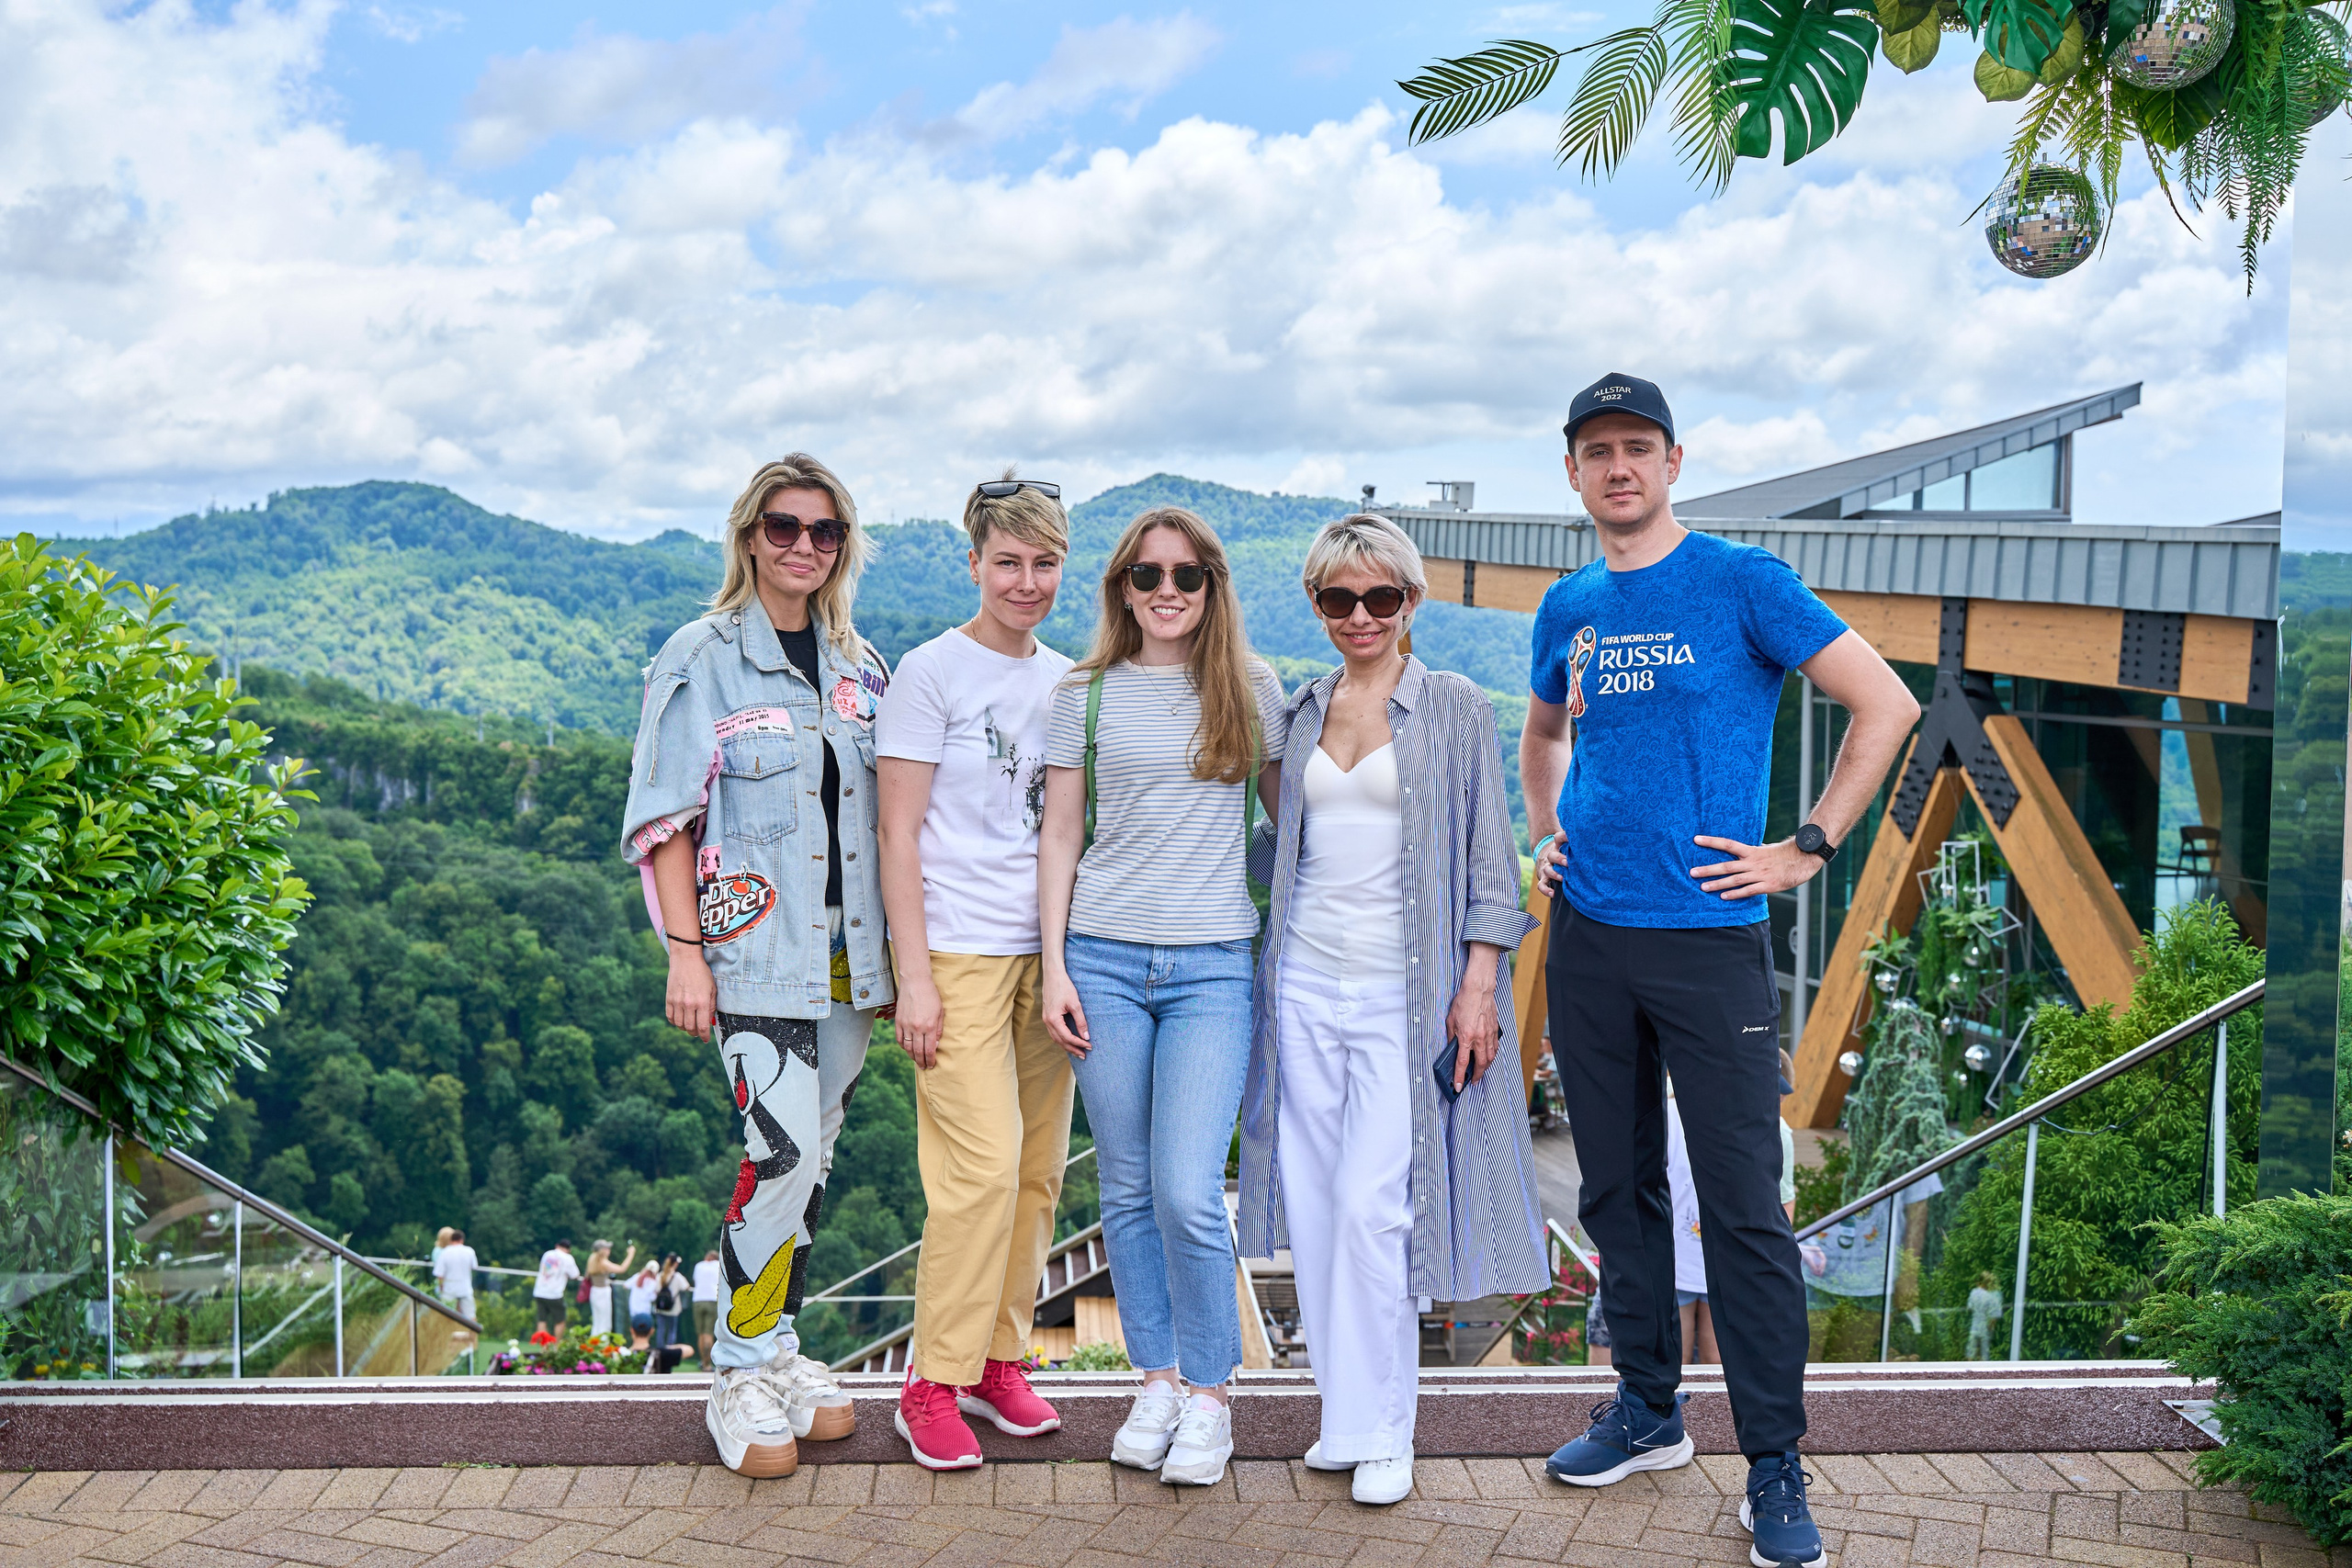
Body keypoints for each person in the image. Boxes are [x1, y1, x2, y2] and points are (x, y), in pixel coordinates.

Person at [1523, 374, 1919, 1568]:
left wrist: (1809, 845)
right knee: (1617, 1191)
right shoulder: (1572, 601)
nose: (1618, 466)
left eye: (1637, 447)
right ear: (1575, 473)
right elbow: (1544, 731)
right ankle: (1648, 1410)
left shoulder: (1745, 582)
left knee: (1746, 1211)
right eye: (1597, 451)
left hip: (1707, 942)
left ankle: (1774, 1462)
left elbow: (1885, 702)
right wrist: (1551, 829)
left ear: (1675, 460)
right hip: (1590, 934)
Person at [1235, 513, 1545, 1506]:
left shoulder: (1451, 706)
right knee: (1319, 1209)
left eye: (1381, 597)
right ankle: (1341, 1414)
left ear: (1411, 602)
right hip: (1302, 986)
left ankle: (1389, 1429)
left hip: (1402, 998)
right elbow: (1282, 841)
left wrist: (1478, 982)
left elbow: (1492, 854)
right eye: (1338, 598)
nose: (1360, 616)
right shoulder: (1299, 709)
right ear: (1317, 606)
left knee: (1376, 1209)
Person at [623, 454, 896, 1478]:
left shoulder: (862, 667)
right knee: (776, 1150)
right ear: (749, 536)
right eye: (782, 527)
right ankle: (737, 1365)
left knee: (814, 1156)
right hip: (751, 955)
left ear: (842, 547)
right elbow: (664, 818)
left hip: (848, 960)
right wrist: (684, 957)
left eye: (823, 532)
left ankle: (777, 1342)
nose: (802, 547)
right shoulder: (700, 657)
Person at [1037, 505, 1287, 1487]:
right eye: (1148, 576)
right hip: (1098, 959)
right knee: (1129, 1188)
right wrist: (1054, 964)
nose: (1168, 592)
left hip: (1213, 965)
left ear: (1213, 584)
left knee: (1188, 1188)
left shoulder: (1250, 689)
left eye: (1186, 575)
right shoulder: (1084, 695)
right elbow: (1059, 834)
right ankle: (1155, 1381)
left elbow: (1293, 826)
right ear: (1122, 588)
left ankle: (1212, 1397)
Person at [876, 473, 1079, 1471]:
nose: (1026, 581)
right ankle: (929, 1381)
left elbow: (1067, 833)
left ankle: (1000, 1355)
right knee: (979, 1170)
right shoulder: (930, 673)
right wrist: (911, 978)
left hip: (1046, 954)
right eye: (1008, 562)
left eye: (1044, 563)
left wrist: (1066, 960)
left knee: (1037, 1172)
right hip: (953, 951)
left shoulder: (1068, 680)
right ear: (974, 564)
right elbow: (896, 833)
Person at [1665, 1089, 1719, 1366]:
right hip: (1680, 1259)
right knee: (1679, 1362)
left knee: (1718, 1364)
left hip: (1719, 1258)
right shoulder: (1669, 1114)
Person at [584, 1239, 638, 1339]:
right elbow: (622, 1269)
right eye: (606, 1248)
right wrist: (631, 1254)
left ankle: (593, 1344)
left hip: (594, 1291)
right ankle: (603, 1346)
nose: (609, 1250)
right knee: (605, 1324)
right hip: (603, 1293)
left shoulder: (592, 1260)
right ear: (602, 1251)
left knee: (597, 1322)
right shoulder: (603, 1262)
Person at [532, 1240, 579, 1336]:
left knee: (542, 1320)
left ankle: (544, 1347)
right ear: (569, 1250)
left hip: (540, 1291)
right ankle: (556, 1346)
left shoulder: (547, 1254)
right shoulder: (568, 1258)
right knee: (560, 1320)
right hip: (554, 1294)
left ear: (557, 1246)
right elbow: (575, 1275)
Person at [433, 1227, 479, 1324]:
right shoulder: (469, 1251)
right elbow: (474, 1267)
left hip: (449, 1290)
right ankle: (472, 1338)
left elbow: (440, 1275)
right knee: (471, 1317)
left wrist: (441, 1289)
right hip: (465, 1289)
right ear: (462, 1239)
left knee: (446, 1317)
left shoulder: (444, 1252)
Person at [652, 1254, 687, 1358]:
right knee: (672, 1331)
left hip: (660, 1308)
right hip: (673, 1309)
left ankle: (659, 1351)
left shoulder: (661, 1275)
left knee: (661, 1330)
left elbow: (656, 1289)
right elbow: (686, 1286)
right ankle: (669, 1351)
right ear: (675, 1264)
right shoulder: (677, 1276)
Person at [693, 1248, 724, 1368]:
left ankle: (703, 1361)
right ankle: (708, 1364)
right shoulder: (718, 1265)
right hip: (712, 1299)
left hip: (698, 1300)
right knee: (708, 1333)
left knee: (700, 1334)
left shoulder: (699, 1266)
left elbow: (696, 1280)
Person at [1965, 1272, 2004, 1360]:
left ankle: (1968, 1371)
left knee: (1971, 1351)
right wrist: (1990, 1326)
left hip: (1975, 1326)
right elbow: (1995, 1315)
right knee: (1984, 1354)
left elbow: (1970, 1307)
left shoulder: (1974, 1292)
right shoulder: (1994, 1295)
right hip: (1986, 1327)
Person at [628, 1263, 660, 1348]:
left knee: (636, 1333)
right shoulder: (653, 1282)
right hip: (645, 1312)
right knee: (644, 1335)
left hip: (634, 1310)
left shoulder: (637, 1277)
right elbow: (652, 1298)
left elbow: (626, 1285)